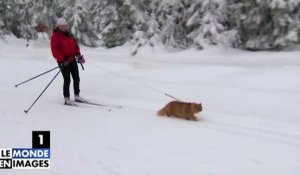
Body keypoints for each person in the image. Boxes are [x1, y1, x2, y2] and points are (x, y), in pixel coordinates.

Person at [50, 17, 86, 105]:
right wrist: (62, 60)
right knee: (67, 79)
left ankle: (77, 96)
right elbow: (55, 50)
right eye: (63, 26)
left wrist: (78, 55)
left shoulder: (69, 34)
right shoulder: (55, 36)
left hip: (72, 59)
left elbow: (75, 46)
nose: (65, 27)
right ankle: (66, 98)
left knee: (76, 78)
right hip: (63, 61)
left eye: (66, 25)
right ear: (58, 26)